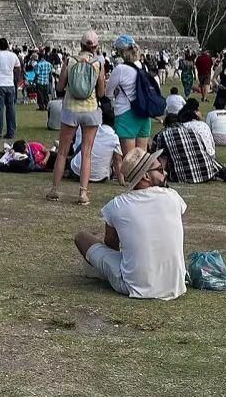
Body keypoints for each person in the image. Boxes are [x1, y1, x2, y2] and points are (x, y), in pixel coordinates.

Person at [72, 149, 187, 300]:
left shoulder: (117, 205)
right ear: (146, 176)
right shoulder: (173, 197)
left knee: (82, 237)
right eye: (159, 169)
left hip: (133, 286)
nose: (164, 173)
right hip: (175, 284)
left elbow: (111, 245)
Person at [48, 31, 106, 205]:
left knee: (62, 151)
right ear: (96, 47)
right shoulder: (98, 64)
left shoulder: (70, 61)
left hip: (71, 109)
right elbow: (101, 92)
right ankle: (83, 193)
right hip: (91, 110)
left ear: (80, 45)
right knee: (86, 153)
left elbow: (60, 87)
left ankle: (55, 189)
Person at [107, 35, 151, 155]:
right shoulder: (142, 66)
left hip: (126, 114)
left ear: (121, 52)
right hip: (143, 113)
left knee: (130, 159)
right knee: (142, 159)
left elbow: (108, 92)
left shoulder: (120, 69)